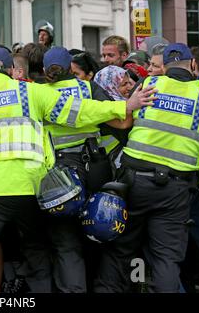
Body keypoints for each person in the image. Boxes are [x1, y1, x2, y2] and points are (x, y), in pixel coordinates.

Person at [0, 47, 156, 293]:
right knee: (37, 249)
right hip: (31, 187)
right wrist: (124, 107)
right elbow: (78, 111)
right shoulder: (30, 92)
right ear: (11, 70)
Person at [94, 43, 199, 293]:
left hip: (134, 181)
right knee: (166, 257)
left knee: (121, 249)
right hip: (176, 188)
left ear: (166, 67)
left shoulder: (148, 85)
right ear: (193, 65)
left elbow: (125, 122)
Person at [42, 47, 144, 292]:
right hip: (94, 167)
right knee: (99, 230)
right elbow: (124, 121)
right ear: (70, 68)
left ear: (45, 72)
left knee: (66, 242)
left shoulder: (37, 93)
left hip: (59, 175)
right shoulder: (86, 88)